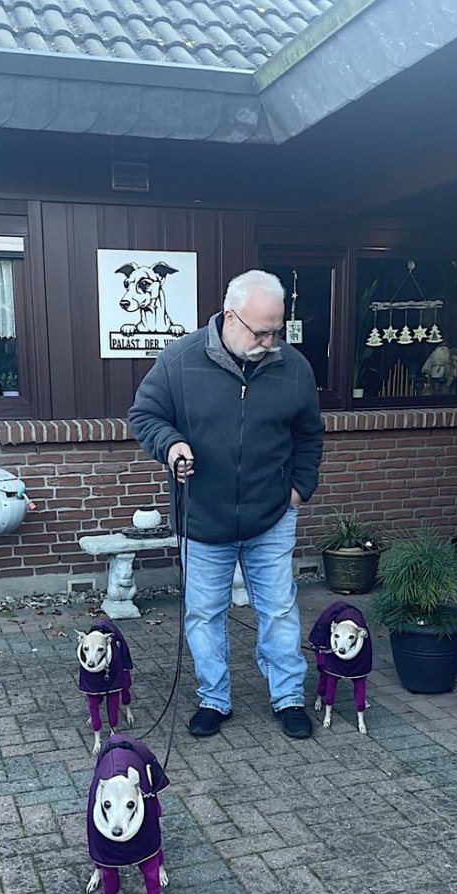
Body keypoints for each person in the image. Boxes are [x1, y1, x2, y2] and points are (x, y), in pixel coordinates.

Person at [128, 269, 324, 739]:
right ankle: (213, 699)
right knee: (204, 613)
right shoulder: (179, 360)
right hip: (202, 516)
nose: (270, 342)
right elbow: (145, 414)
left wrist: (299, 489)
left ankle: (288, 697)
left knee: (278, 610)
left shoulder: (293, 366)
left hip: (271, 515)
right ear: (230, 317)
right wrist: (171, 445)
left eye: (276, 330)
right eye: (261, 332)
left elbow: (309, 435)